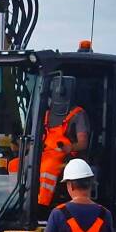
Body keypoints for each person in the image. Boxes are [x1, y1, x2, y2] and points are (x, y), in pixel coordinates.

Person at [38, 76, 90, 206]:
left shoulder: (78, 114)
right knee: (16, 164)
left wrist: (69, 148)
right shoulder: (47, 114)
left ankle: (42, 205)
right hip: (47, 152)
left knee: (47, 168)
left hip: (67, 157)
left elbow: (83, 143)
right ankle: (18, 201)